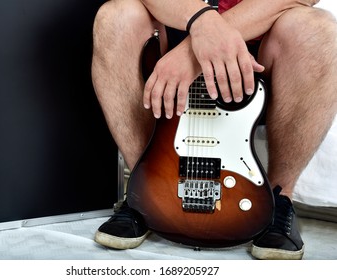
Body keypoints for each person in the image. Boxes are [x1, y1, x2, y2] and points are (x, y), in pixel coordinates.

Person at [91, 0, 337, 260]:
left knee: (316, 29)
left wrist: (197, 49)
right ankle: (146, 191)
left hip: (260, 54)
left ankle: (278, 201)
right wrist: (201, 23)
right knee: (115, 17)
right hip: (170, 36)